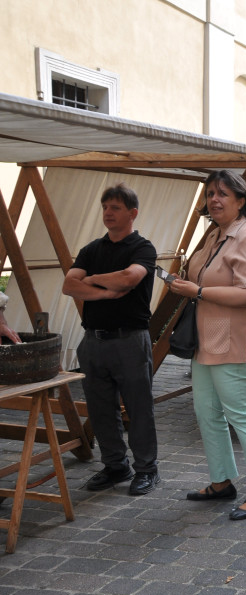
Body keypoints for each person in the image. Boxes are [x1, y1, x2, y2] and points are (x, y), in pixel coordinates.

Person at [169, 170, 246, 521]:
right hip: (206, 336)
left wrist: (197, 291)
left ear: (241, 200)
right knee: (207, 412)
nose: (214, 199)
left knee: (241, 413)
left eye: (223, 194)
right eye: (210, 193)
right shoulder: (215, 234)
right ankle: (220, 482)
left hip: (233, 336)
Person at [62, 183, 159, 496]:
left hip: (131, 340)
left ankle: (147, 469)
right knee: (100, 408)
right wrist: (106, 291)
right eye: (105, 207)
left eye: (115, 208)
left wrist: (89, 279)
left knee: (138, 407)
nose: (108, 213)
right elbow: (68, 284)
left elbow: (130, 278)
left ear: (132, 213)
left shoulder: (143, 248)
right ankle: (116, 466)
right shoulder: (92, 249)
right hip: (93, 340)